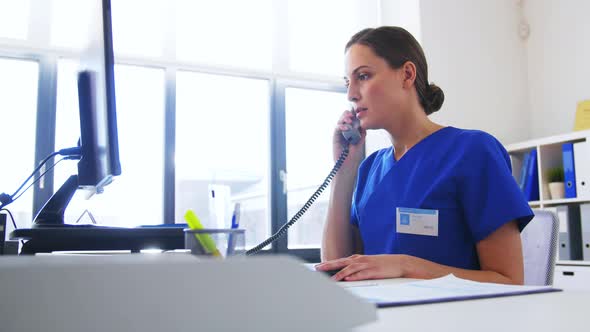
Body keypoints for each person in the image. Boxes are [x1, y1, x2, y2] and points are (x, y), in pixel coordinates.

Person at [315, 26, 533, 285]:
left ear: (407, 74)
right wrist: (343, 172)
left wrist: (405, 265)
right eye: (347, 82)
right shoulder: (369, 168)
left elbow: (509, 280)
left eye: (363, 76)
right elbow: (337, 270)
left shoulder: (473, 151)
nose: (351, 94)